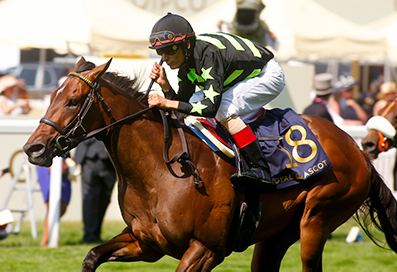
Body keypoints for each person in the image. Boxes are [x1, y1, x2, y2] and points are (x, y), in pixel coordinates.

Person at [148, 12, 285, 188]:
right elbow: (182, 104)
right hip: (240, 79)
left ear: (187, 45)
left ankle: (259, 168)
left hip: (267, 74)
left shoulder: (208, 55)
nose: (165, 58)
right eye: (160, 51)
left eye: (170, 50)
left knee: (223, 109)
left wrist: (168, 102)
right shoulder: (186, 64)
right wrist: (165, 86)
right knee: (196, 101)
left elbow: (211, 108)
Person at [74, 138, 116, 244]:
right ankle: (89, 235)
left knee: (105, 199)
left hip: (111, 162)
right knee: (90, 198)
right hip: (89, 159)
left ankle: (95, 234)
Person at [36, 158, 74, 246]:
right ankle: (46, 241)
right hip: (49, 160)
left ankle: (46, 240)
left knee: (62, 207)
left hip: (62, 160)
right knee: (53, 207)